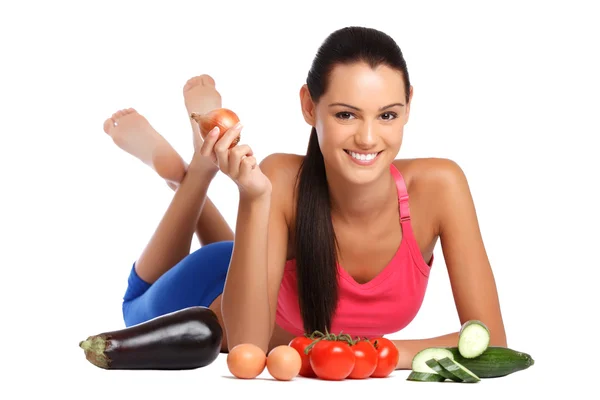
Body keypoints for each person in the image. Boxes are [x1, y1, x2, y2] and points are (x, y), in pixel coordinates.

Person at [103, 26, 507, 370]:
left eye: (387, 115)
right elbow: (248, 349)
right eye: (346, 114)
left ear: (408, 107)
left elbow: (493, 343)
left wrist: (377, 354)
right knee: (135, 306)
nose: (368, 138)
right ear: (309, 107)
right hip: (210, 289)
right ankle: (194, 171)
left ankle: (204, 148)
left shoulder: (441, 186)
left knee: (254, 243)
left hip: (261, 262)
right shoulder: (280, 176)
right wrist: (255, 196)